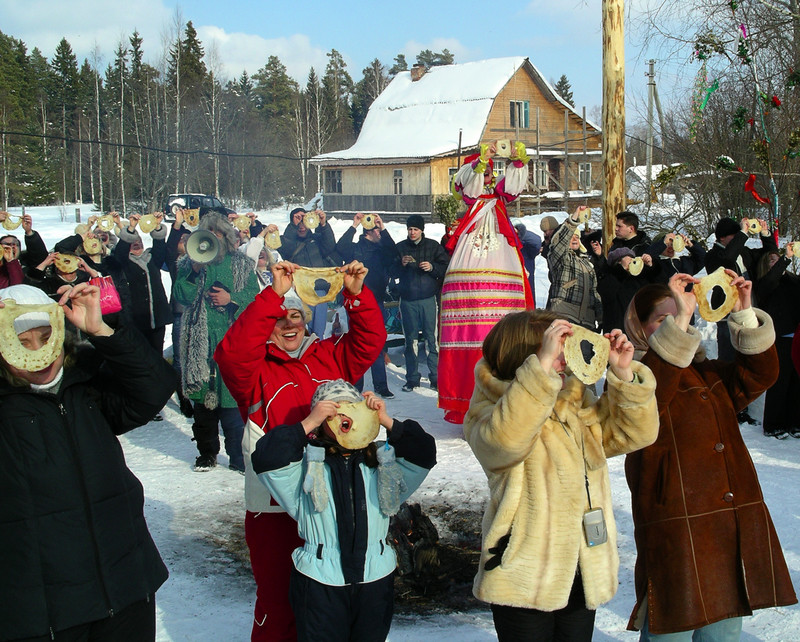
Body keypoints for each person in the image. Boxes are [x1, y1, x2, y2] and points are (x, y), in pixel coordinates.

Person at [214, 259, 386, 642]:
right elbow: (232, 354)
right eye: (280, 319)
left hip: (334, 496)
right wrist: (272, 296)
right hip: (275, 505)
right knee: (280, 603)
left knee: (331, 603)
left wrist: (356, 295)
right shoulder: (254, 371)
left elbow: (368, 341)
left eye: (296, 317)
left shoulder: (330, 356)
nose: (289, 324)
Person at [464, 309, 658, 642]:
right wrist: (540, 371)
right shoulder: (490, 410)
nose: (564, 362)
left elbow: (635, 433)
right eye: (556, 351)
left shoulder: (573, 405)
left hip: (581, 568)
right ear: (524, 356)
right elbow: (505, 442)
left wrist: (623, 374)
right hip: (524, 576)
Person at [623, 274, 797, 639]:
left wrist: (744, 314)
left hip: (724, 530)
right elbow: (647, 405)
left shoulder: (707, 373)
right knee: (670, 631)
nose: (676, 324)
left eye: (682, 315)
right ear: (639, 327)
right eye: (664, 319)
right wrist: (682, 323)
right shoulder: (630, 378)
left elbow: (761, 375)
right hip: (677, 532)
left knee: (723, 633)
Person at [0, 282, 175, 641]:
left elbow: (154, 388)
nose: (39, 355)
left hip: (126, 588)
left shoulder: (87, 386)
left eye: (44, 338)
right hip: (44, 612)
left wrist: (101, 331)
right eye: (22, 343)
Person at [251, 379, 436, 642]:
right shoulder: (304, 471)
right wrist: (309, 422)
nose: (342, 415)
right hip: (319, 584)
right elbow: (266, 457)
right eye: (333, 410)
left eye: (350, 407)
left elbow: (424, 452)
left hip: (374, 583)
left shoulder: (382, 467)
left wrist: (384, 419)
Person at [438, 142, 534, 423]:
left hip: (502, 255)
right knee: (469, 326)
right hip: (470, 255)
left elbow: (513, 186)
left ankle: (508, 396)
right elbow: (467, 184)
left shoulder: (500, 200)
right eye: (486, 172)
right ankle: (467, 397)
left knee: (505, 326)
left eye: (491, 172)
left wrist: (517, 161)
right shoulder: (471, 197)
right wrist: (480, 161)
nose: (489, 177)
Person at [173, 212, 260, 472]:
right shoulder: (189, 263)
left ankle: (237, 457)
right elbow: (181, 295)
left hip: (231, 341)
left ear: (228, 236)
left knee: (232, 406)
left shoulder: (242, 264)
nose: (215, 237)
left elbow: (254, 298)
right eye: (209, 232)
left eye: (219, 232)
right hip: (199, 341)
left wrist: (231, 298)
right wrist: (195, 270)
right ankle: (207, 454)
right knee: (203, 406)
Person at [705, 216, 776, 424]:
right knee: (728, 360)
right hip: (727, 315)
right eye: (735, 236)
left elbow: (768, 254)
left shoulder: (741, 250)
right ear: (722, 238)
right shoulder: (713, 255)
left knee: (746, 359)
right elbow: (727, 259)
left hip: (748, 312)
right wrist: (743, 233)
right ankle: (728, 406)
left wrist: (765, 234)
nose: (740, 239)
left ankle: (741, 406)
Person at [336, 212, 397, 398]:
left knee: (377, 342)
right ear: (369, 233)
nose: (380, 233)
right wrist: (354, 225)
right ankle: (356, 385)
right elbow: (340, 248)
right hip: (355, 300)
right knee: (357, 342)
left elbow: (394, 253)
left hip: (376, 300)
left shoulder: (382, 250)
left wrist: (384, 227)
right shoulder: (356, 249)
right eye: (378, 230)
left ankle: (381, 385)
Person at [392, 215, 450, 394]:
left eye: (415, 229)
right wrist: (400, 265)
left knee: (432, 340)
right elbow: (391, 270)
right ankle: (412, 378)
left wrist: (432, 268)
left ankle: (435, 378)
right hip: (408, 300)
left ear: (422, 230)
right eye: (410, 229)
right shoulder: (400, 247)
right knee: (411, 341)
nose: (412, 232)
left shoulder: (433, 246)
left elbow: (446, 266)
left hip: (428, 299)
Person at [753, 244, 800, 438]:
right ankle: (773, 425)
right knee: (779, 382)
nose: (776, 261)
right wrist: (785, 259)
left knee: (796, 382)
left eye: (777, 258)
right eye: (772, 260)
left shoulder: (793, 280)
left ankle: (795, 422)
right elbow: (770, 282)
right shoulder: (764, 283)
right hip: (778, 337)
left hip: (796, 336)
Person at [281, 207, 340, 338]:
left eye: (304, 222)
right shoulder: (289, 241)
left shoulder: (317, 240)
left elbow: (330, 246)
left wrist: (323, 224)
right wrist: (293, 226)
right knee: (302, 329)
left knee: (318, 332)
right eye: (298, 223)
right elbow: (286, 248)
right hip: (299, 292)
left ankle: (317, 350)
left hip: (319, 291)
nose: (302, 227)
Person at [545, 206, 603, 330]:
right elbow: (559, 242)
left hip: (587, 323)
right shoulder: (560, 258)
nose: (574, 238)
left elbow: (594, 293)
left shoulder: (587, 264)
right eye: (571, 236)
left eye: (577, 236)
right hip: (564, 317)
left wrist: (601, 318)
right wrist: (574, 220)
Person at [597, 247, 659, 333]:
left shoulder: (637, 280)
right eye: (629, 258)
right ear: (618, 261)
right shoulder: (609, 278)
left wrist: (649, 266)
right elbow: (607, 294)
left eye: (633, 258)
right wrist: (622, 271)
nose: (633, 260)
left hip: (637, 331)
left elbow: (653, 290)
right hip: (616, 330)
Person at [514, 222, 542, 305]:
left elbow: (536, 241)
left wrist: (521, 232)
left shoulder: (526, 248)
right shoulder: (504, 248)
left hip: (527, 290)